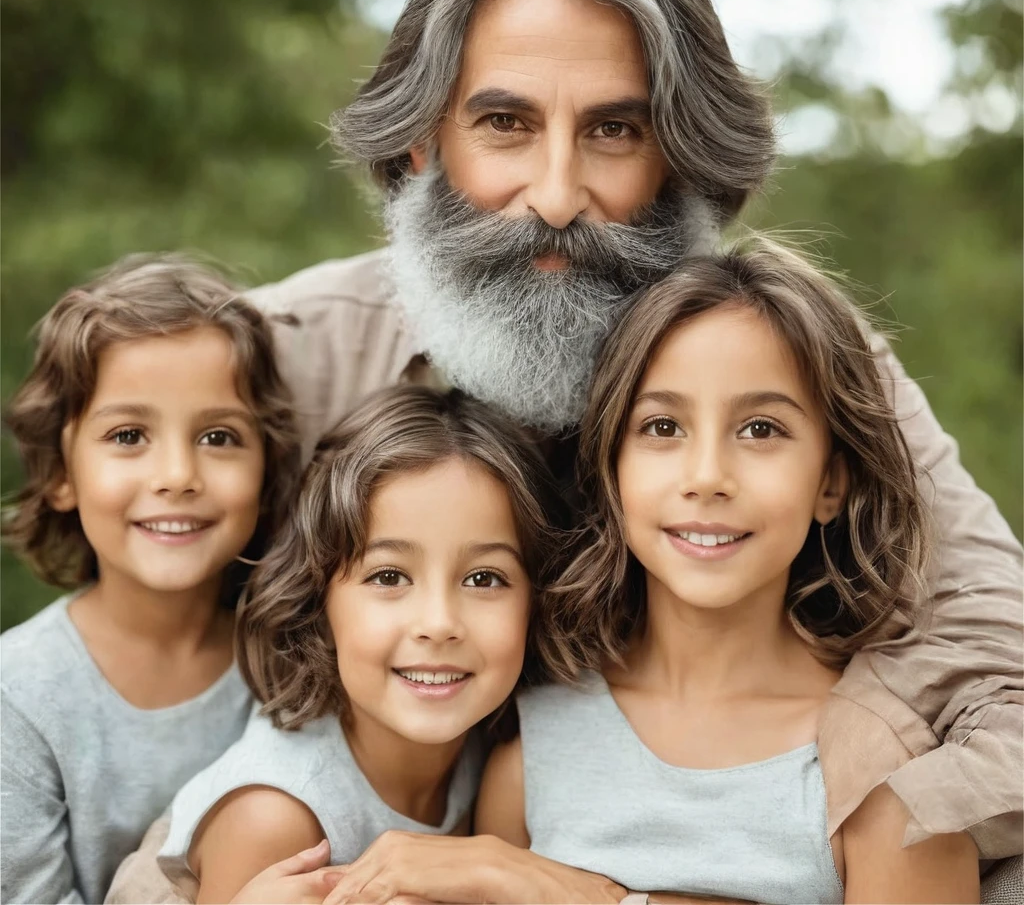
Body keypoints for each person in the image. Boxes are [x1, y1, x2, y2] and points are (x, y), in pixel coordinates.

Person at [100, 0, 1022, 900]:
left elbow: (994, 652)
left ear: (676, 156)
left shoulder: (785, 357)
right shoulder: (277, 360)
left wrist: (837, 782)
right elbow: (139, 665)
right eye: (504, 122)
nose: (554, 195)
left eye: (613, 131)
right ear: (420, 143)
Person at [320, 237, 980, 904]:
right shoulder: (534, 749)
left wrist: (583, 897)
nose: (707, 478)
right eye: (663, 427)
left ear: (830, 482)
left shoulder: (890, 776)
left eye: (760, 430)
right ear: (612, 470)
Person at [148, 386, 569, 903]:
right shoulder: (277, 821)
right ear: (318, 598)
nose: (438, 624)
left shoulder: (501, 748)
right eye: (389, 576)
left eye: (484, 579)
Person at [0, 255, 301, 905]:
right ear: (61, 473)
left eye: (219, 437)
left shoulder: (293, 666)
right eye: (129, 435)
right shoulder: (17, 700)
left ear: (266, 471)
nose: (177, 475)